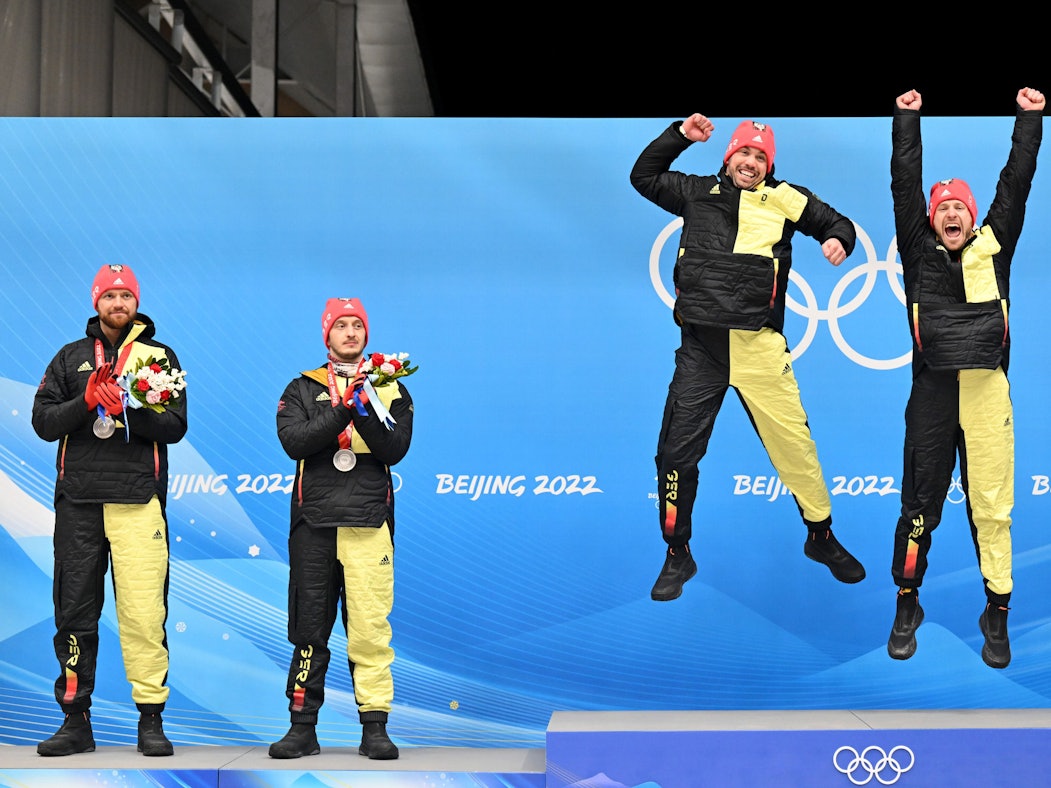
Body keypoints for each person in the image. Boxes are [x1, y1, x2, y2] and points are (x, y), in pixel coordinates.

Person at [630, 114, 866, 602]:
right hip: (702, 350)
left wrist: (838, 239)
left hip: (760, 350)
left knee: (797, 453)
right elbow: (643, 176)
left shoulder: (786, 197)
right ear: (728, 156)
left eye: (761, 156)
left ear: (769, 164)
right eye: (744, 153)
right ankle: (677, 554)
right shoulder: (696, 192)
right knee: (675, 455)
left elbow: (838, 223)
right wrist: (678, 136)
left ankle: (820, 538)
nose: (751, 162)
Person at [887, 87, 1044, 669]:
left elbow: (1016, 182)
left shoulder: (995, 246)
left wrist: (1029, 119)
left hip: (987, 394)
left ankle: (996, 613)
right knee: (919, 504)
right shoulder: (916, 250)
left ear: (973, 218)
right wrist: (907, 119)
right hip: (932, 394)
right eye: (942, 208)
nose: (951, 213)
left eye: (961, 208)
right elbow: (906, 181)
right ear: (932, 220)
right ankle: (907, 604)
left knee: (993, 507)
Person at [31, 264, 187, 756]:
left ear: (136, 302)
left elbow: (176, 426)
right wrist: (86, 401)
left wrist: (130, 409)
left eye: (126, 295)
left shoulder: (159, 357)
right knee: (75, 611)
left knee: (144, 615)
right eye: (110, 295)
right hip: (78, 502)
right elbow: (41, 421)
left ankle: (151, 721)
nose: (118, 303)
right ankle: (75, 721)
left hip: (138, 501)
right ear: (96, 301)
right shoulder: (70, 357)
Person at [269, 297, 414, 760]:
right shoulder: (301, 388)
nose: (350, 333)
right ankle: (302, 726)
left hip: (368, 522)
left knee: (370, 628)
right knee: (309, 628)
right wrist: (342, 409)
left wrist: (364, 406)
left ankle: (374, 727)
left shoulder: (391, 387)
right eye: (341, 326)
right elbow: (295, 442)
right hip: (314, 523)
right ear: (326, 335)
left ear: (366, 335)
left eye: (357, 326)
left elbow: (394, 450)